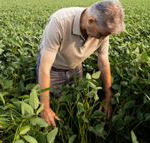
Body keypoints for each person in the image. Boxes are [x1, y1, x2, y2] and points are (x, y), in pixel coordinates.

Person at [36, 0, 125, 128]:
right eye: (101, 34)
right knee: (51, 114)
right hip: (53, 69)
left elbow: (104, 63)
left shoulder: (103, 29)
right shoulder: (60, 21)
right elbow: (45, 67)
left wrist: (108, 96)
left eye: (106, 35)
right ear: (91, 21)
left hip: (75, 67)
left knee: (73, 105)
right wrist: (44, 107)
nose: (103, 39)